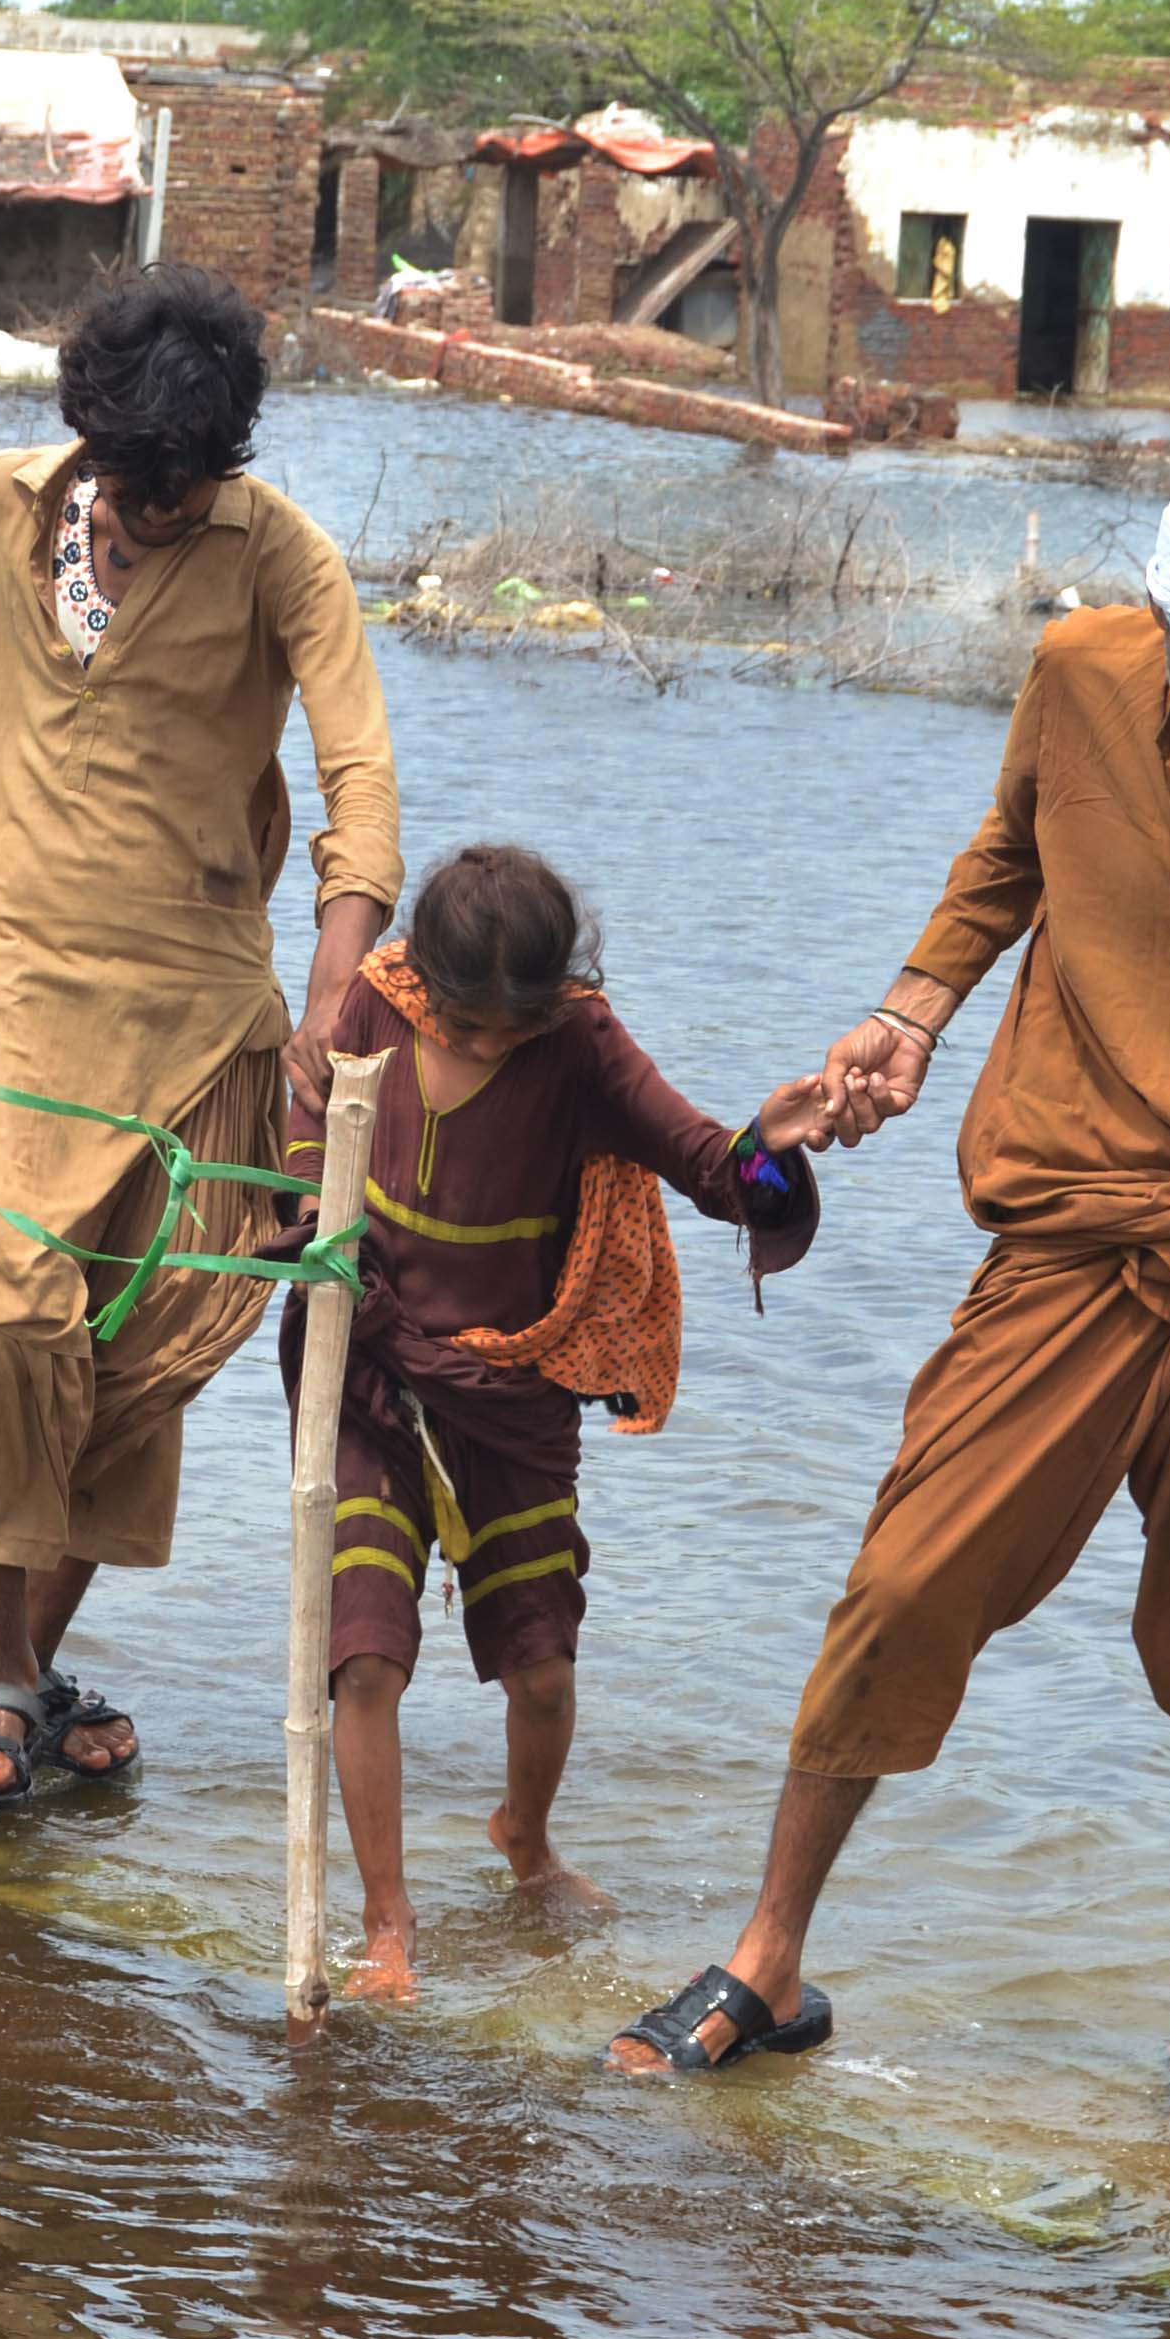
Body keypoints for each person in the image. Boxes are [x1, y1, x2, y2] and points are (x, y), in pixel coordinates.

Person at [610, 475, 1170, 2123]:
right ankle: (767, 1954)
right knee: (904, 1579)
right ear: (1157, 629)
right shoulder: (1079, 675)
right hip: (1074, 1209)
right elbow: (1010, 849)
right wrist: (911, 1006)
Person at [0, 264, 404, 1808]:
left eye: (188, 483)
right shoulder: (8, 503)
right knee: (0, 1319)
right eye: (136, 478)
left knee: (135, 1368)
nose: (156, 507)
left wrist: (339, 990)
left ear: (226, 463)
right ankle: (12, 1678)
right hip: (3, 985)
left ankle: (12, 1682)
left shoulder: (286, 559)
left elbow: (362, 789)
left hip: (199, 1013)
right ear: (89, 436)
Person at [285, 847, 836, 2004]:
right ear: (429, 981)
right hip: (368, 1371)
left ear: (553, 999)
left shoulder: (580, 1041)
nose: (486, 1045)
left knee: (540, 1670)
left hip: (513, 1395)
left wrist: (770, 1144)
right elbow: (305, 1129)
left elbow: (707, 1166)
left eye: (509, 1032)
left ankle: (523, 1839)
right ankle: (389, 1922)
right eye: (468, 1025)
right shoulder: (380, 998)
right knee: (366, 1657)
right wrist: (302, 1224)